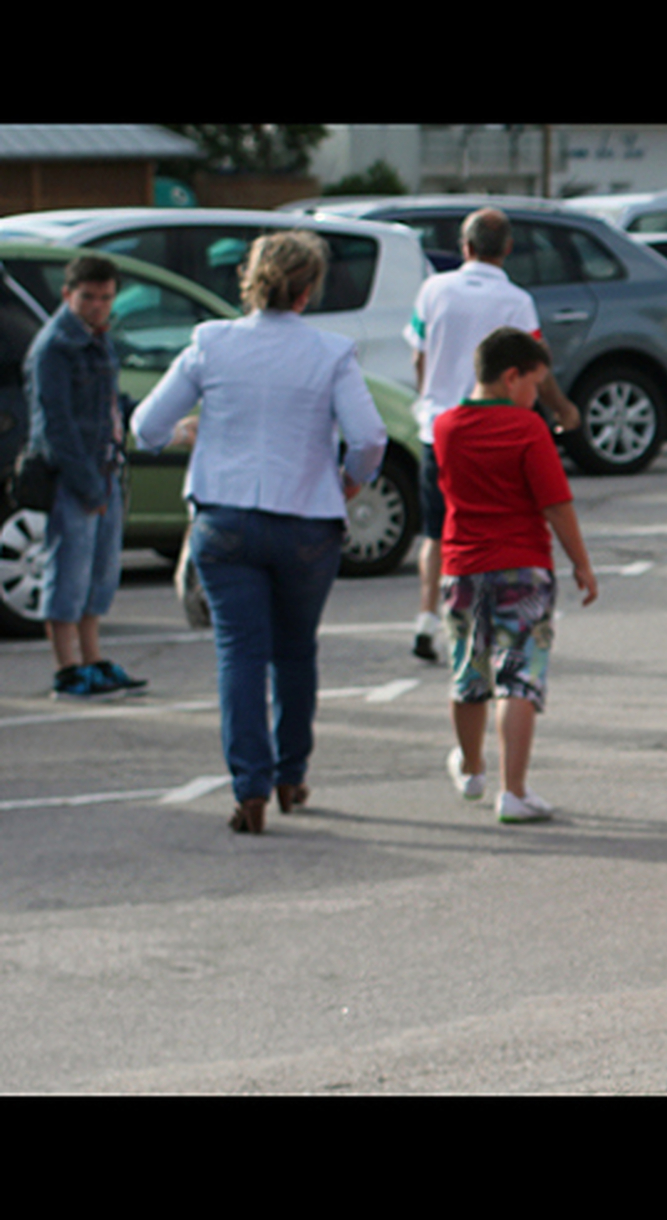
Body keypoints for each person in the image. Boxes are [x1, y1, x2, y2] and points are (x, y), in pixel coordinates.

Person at [132, 232, 387, 834]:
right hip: (306, 519)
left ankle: (250, 788)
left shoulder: (211, 342)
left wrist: (185, 434)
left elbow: (145, 425)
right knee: (295, 651)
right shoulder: (330, 352)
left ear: (251, 280)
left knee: (239, 655)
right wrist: (348, 482)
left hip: (224, 518)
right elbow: (370, 438)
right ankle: (291, 772)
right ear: (309, 289)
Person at [433, 327, 599, 825]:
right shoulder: (528, 430)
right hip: (523, 569)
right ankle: (515, 791)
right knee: (518, 679)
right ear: (511, 377)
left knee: (469, 674)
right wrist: (582, 563)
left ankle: (472, 768)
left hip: (462, 569)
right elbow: (556, 504)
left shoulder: (446, 427)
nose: (537, 397)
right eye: (535, 384)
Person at [406, 208, 577, 665]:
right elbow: (536, 366)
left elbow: (418, 353)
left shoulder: (433, 290)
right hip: (498, 429)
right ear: (507, 250)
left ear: (465, 247)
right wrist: (562, 409)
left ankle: (429, 617)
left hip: (439, 426)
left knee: (436, 530)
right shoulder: (516, 301)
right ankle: (498, 627)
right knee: (495, 521)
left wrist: (428, 397)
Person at [26, 255, 146, 700]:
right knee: (69, 572)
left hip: (107, 467)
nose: (97, 306)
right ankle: (67, 668)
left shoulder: (99, 340)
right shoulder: (55, 347)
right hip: (74, 477)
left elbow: (112, 404)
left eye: (106, 297)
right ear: (67, 295)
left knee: (100, 572)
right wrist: (87, 484)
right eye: (88, 297)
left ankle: (92, 657)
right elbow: (55, 426)